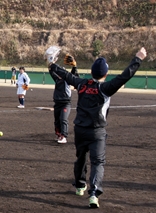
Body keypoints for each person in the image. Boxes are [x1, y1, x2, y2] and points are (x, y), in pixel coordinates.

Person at [47, 47, 147, 208]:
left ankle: (80, 186)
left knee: (80, 158)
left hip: (80, 129)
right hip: (97, 132)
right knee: (97, 162)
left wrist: (52, 64)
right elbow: (124, 77)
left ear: (92, 72)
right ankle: (93, 194)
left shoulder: (82, 84)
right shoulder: (105, 88)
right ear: (105, 74)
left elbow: (66, 76)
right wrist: (138, 59)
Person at [49, 54, 79, 144]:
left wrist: (74, 66)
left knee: (63, 119)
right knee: (57, 120)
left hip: (66, 103)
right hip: (57, 102)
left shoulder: (68, 79)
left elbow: (74, 75)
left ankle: (64, 136)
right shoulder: (57, 79)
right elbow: (51, 71)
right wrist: (51, 62)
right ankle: (59, 135)